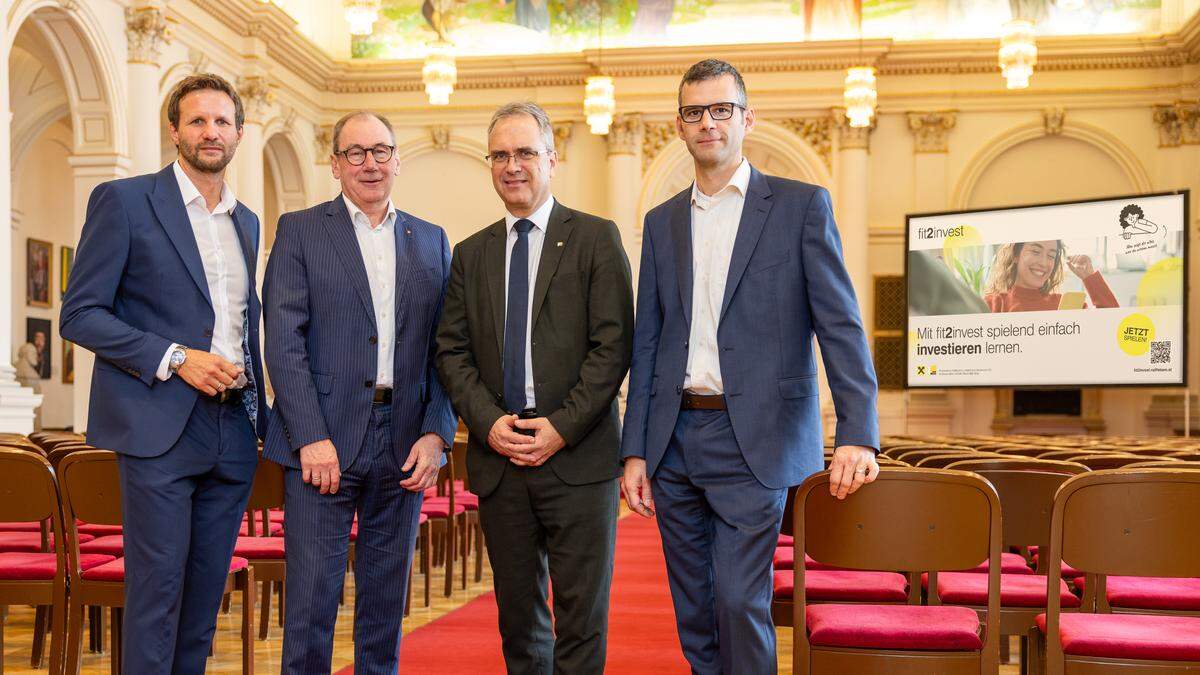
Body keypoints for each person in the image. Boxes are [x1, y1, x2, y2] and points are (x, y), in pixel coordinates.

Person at [620, 59, 880, 674]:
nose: (707, 123)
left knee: (740, 602)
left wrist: (859, 432)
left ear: (746, 118)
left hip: (756, 439)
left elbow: (840, 326)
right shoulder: (661, 224)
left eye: (721, 110)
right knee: (696, 611)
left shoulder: (799, 207)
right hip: (674, 442)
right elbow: (649, 342)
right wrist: (635, 451)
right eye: (693, 112)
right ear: (679, 126)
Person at [59, 73, 268, 674]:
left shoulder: (246, 221)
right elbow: (80, 314)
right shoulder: (125, 202)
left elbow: (239, 322)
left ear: (238, 133)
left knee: (204, 602)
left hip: (232, 429)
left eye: (222, 121)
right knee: (156, 598)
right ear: (173, 129)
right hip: (159, 427)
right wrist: (176, 357)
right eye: (197, 120)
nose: (211, 131)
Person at [436, 101, 634, 674]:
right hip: (501, 460)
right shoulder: (470, 254)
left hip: (578, 458)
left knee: (581, 620)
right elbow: (452, 351)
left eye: (524, 152)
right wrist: (488, 422)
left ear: (551, 158)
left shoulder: (596, 238)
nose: (512, 165)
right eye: (500, 155)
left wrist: (561, 427)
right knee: (519, 622)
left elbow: (613, 347)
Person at [262, 110, 456, 674]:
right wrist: (310, 437)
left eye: (381, 151)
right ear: (336, 164)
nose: (370, 163)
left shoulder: (431, 240)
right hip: (323, 440)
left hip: (404, 441)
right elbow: (285, 342)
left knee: (384, 606)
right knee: (312, 604)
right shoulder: (300, 231)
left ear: (397, 159)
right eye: (356, 153)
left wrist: (436, 434)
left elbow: (448, 349)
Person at [982, 240, 1118, 312]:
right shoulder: (992, 305)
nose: (1044, 263)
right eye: (1035, 251)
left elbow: (1111, 325)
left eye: (1051, 256)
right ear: (1016, 254)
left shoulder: (1068, 306)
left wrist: (1089, 277)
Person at [15, 332, 44, 429]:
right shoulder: (26, 372)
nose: (35, 356)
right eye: (33, 353)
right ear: (27, 353)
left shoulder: (16, 369)